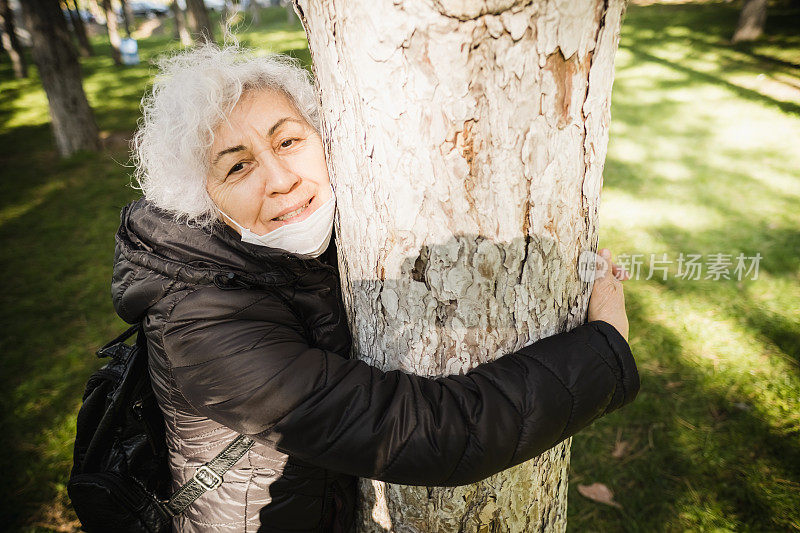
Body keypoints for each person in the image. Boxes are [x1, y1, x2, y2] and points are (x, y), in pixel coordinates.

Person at [113, 44, 639, 532]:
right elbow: (429, 434)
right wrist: (602, 352)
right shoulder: (201, 326)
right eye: (238, 166)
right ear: (202, 202)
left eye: (289, 141)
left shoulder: (293, 251)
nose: (280, 179)